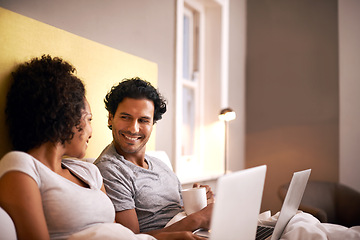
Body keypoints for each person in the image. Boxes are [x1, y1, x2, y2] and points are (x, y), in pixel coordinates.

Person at [0, 55, 204, 240]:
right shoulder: (21, 165)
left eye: (143, 119)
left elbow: (122, 235)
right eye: (88, 119)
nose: (91, 131)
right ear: (64, 117)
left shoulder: (88, 170)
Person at [94, 78, 214, 236]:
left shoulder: (159, 164)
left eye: (143, 120)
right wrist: (198, 219)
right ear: (111, 117)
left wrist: (201, 204)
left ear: (152, 124)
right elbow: (131, 238)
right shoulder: (110, 170)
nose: (133, 128)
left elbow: (176, 211)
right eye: (125, 117)